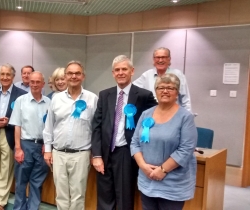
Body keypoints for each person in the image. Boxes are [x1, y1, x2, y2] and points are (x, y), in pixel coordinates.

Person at [91, 55, 157, 210]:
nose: (120, 73)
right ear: (113, 73)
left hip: (126, 153)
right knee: (104, 196)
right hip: (105, 153)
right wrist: (97, 155)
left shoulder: (143, 95)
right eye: (117, 70)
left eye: (124, 69)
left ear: (132, 71)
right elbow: (97, 126)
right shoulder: (104, 94)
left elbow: (156, 118)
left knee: (124, 197)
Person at [130, 73, 197, 210]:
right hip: (147, 179)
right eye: (160, 88)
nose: (165, 91)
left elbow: (186, 149)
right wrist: (143, 166)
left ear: (177, 92)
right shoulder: (146, 114)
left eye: (170, 88)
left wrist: (162, 170)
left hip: (173, 184)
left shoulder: (185, 117)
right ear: (156, 91)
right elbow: (135, 143)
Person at [43, 60, 98, 210]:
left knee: (78, 196)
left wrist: (95, 153)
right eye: (70, 73)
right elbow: (49, 127)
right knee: (60, 195)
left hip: (81, 155)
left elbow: (96, 128)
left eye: (77, 73)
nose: (74, 76)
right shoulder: (56, 99)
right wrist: (48, 150)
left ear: (83, 76)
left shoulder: (92, 99)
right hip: (58, 154)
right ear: (65, 76)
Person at [0, 64, 27, 210]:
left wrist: (9, 122)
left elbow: (23, 117)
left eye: (8, 74)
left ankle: (0, 201)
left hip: (10, 135)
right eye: (2, 74)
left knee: (6, 169)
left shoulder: (21, 94)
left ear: (13, 77)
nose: (5, 77)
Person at [9, 71, 50, 210]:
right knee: (21, 182)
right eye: (32, 82)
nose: (35, 84)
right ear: (29, 83)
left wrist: (48, 145)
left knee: (37, 182)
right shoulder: (21, 101)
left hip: (43, 147)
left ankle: (33, 208)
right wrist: (18, 148)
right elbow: (17, 125)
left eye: (38, 82)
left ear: (43, 84)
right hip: (25, 146)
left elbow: (51, 127)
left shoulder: (49, 102)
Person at [133, 47, 192, 112]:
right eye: (158, 57)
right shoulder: (147, 75)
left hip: (173, 115)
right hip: (152, 116)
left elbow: (185, 100)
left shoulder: (178, 75)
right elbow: (132, 89)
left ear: (169, 59)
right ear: (154, 59)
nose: (160, 60)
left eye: (163, 57)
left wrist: (188, 117)